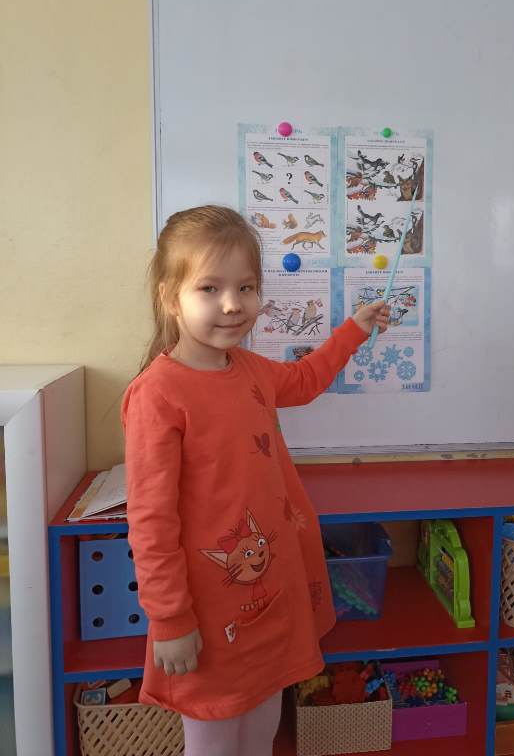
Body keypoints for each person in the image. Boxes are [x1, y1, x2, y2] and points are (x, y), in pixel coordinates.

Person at [121, 205, 390, 755]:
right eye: (210, 288)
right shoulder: (158, 395)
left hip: (268, 590)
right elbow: (151, 523)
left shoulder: (249, 369)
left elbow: (305, 379)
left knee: (263, 720)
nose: (232, 304)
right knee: (215, 734)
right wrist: (169, 621)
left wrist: (354, 332)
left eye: (246, 287)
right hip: (206, 608)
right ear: (170, 297)